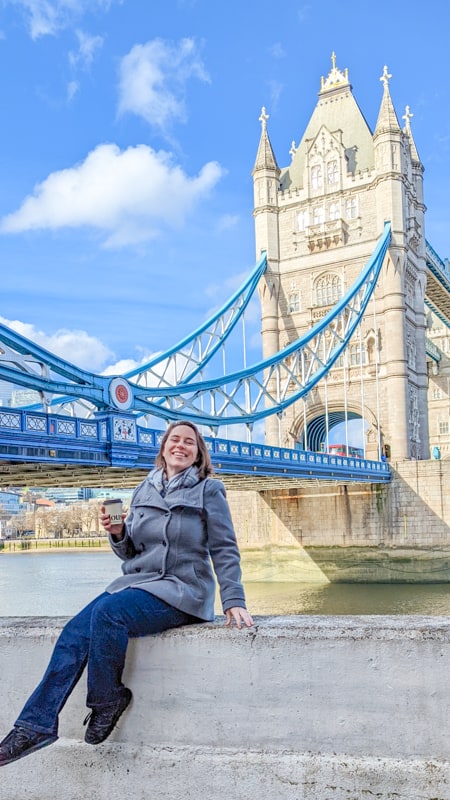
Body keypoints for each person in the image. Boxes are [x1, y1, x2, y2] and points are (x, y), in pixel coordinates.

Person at [0, 421, 253, 767]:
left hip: (182, 589)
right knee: (75, 631)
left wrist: (234, 599)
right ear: (163, 447)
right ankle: (35, 725)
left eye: (189, 443)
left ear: (198, 453)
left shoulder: (209, 490)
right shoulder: (143, 490)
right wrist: (118, 532)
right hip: (140, 583)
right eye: (174, 440)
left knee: (109, 614)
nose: (181, 446)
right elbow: (131, 552)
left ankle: (107, 700)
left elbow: (225, 548)